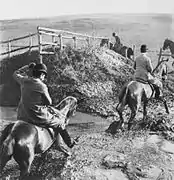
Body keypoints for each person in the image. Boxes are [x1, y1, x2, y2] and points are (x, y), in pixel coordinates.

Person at [13, 62, 77, 156]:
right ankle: (69, 143)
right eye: (44, 76)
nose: (44, 78)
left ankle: (57, 144)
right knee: (59, 122)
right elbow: (49, 102)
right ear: (42, 75)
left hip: (22, 115)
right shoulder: (42, 86)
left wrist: (26, 67)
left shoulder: (24, 80)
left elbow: (15, 73)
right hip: (36, 116)